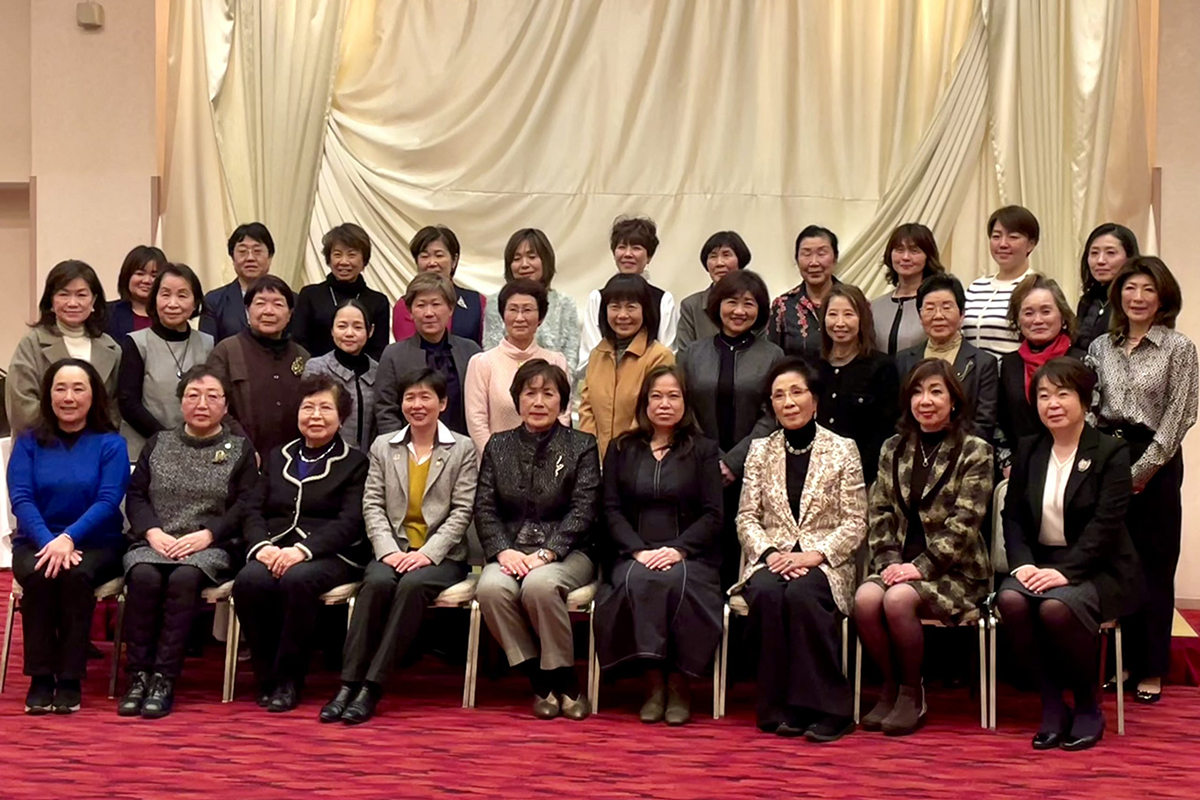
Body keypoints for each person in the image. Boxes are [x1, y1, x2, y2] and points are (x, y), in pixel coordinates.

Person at [320, 369, 478, 725]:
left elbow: (462, 511)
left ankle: (371, 687)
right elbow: (372, 504)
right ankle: (347, 684)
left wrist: (427, 554)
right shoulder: (383, 446)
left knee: (412, 586)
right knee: (375, 582)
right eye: (410, 397)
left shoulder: (462, 448)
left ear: (443, 403)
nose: (417, 405)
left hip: (441, 556)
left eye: (426, 397)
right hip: (392, 548)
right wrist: (388, 550)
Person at [997, 358, 1139, 751]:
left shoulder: (1111, 451)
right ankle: (1051, 703)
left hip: (1098, 567)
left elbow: (1106, 525)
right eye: (1044, 395)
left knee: (1056, 608)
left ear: (1084, 400)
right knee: (1010, 600)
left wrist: (1069, 571)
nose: (1053, 404)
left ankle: (1088, 704)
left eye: (1063, 394)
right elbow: (1013, 516)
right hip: (1040, 562)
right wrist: (1022, 564)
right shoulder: (1029, 449)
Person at [854, 359, 993, 736]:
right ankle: (890, 685)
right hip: (898, 562)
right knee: (865, 600)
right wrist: (888, 561)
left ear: (954, 400)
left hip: (955, 570)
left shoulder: (975, 450)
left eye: (935, 392)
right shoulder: (893, 448)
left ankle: (912, 692)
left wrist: (921, 567)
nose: (925, 401)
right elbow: (879, 510)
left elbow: (967, 521)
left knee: (897, 600)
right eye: (917, 392)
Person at [733, 358, 866, 742]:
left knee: (804, 594)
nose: (788, 402)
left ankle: (830, 710)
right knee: (767, 592)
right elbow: (746, 517)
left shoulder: (842, 449)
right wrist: (771, 554)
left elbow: (855, 521)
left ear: (815, 400)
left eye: (797, 392)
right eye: (779, 395)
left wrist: (815, 555)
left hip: (825, 562)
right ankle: (779, 706)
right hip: (773, 559)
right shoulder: (760, 451)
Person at [1087, 256, 1198, 704]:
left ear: (1163, 296)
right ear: (1119, 295)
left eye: (1148, 289)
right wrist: (1098, 463)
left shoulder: (1179, 348)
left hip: (1157, 460)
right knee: (1118, 563)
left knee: (1154, 563)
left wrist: (1141, 472)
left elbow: (1179, 416)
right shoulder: (1101, 346)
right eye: (1130, 288)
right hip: (1108, 455)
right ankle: (1124, 662)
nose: (1138, 297)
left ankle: (1151, 667)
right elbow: (1091, 406)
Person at [118, 366, 258, 718]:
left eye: (212, 396)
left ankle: (164, 678)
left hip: (211, 545)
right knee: (143, 576)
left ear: (226, 406)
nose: (202, 404)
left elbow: (246, 504)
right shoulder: (158, 443)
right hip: (156, 540)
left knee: (184, 577)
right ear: (181, 402)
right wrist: (152, 532)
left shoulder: (239, 449)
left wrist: (209, 534)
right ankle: (137, 676)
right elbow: (136, 495)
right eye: (193, 395)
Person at [233, 374, 370, 712]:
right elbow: (253, 509)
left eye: (325, 408)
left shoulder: (355, 462)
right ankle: (266, 676)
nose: (315, 416)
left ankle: (289, 679)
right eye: (308, 407)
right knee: (249, 580)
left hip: (330, 553)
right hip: (275, 547)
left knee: (298, 580)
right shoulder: (277, 456)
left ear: (341, 417)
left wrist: (302, 551)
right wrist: (262, 546)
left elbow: (350, 522)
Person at [595, 366, 723, 725]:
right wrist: (638, 550)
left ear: (686, 402)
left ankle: (679, 685)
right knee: (638, 580)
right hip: (633, 552)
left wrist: (679, 549)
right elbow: (610, 509)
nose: (664, 404)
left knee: (676, 582)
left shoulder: (703, 450)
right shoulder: (622, 448)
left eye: (673, 396)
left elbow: (713, 514)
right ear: (645, 403)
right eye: (657, 396)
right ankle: (652, 684)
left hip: (690, 554)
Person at [474, 360, 600, 720]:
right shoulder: (498, 445)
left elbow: (584, 509)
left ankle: (567, 680)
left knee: (540, 586)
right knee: (490, 589)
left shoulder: (581, 445)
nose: (539, 402)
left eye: (548, 393)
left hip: (569, 551)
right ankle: (540, 679)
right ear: (517, 399)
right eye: (530, 393)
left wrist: (548, 552)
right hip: (511, 550)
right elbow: (484, 507)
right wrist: (503, 550)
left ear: (562, 401)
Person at [7, 359, 129, 715]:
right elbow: (22, 499)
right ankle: (41, 677)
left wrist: (69, 538)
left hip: (96, 541)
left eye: (78, 389)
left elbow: (108, 500)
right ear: (48, 395)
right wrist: (51, 540)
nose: (69, 397)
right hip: (36, 540)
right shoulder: (28, 442)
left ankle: (71, 678)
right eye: (60, 389)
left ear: (94, 396)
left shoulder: (111, 444)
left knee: (75, 575)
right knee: (40, 573)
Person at [679, 269, 784, 587]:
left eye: (749, 303)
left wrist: (733, 462)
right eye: (732, 302)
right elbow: (683, 408)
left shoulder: (772, 355)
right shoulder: (692, 354)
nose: (739, 311)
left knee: (742, 554)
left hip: (753, 472)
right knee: (699, 555)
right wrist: (711, 458)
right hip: (697, 468)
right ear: (717, 304)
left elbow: (772, 414)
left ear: (760, 310)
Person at [7, 260, 122, 435]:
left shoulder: (112, 349)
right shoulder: (32, 344)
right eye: (64, 294)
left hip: (97, 443)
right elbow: (21, 406)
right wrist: (69, 428)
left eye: (81, 295)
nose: (72, 303)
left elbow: (116, 408)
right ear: (51, 301)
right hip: (43, 442)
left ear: (94, 301)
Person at [117, 263, 214, 459]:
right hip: (145, 449)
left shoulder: (207, 343)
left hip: (197, 448)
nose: (172, 304)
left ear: (195, 303)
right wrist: (169, 440)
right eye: (165, 294)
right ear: (154, 299)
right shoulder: (137, 343)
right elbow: (129, 405)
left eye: (182, 295)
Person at [207, 275, 310, 456]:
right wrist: (243, 448)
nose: (268, 311)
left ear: (289, 314)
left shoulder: (302, 356)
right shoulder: (226, 351)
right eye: (260, 303)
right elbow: (214, 405)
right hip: (238, 456)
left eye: (278, 304)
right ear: (247, 311)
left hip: (293, 458)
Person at [467, 279, 571, 453]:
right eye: (513, 310)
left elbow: (563, 416)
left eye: (528, 310)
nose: (520, 318)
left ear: (541, 317)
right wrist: (499, 460)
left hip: (548, 460)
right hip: (496, 462)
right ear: (503, 315)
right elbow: (477, 422)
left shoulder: (556, 361)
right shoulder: (482, 363)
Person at [580, 274, 675, 458]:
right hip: (597, 460)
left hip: (642, 458)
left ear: (645, 310)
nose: (622, 315)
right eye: (615, 307)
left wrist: (621, 455)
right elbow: (587, 408)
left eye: (631, 307)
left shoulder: (660, 356)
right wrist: (589, 455)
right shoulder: (597, 354)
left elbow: (652, 412)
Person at [996, 275, 1086, 471]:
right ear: (1017, 319)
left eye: (1046, 311)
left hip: (1076, 466)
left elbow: (1094, 416)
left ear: (1062, 316)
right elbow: (998, 421)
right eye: (1028, 313)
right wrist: (1007, 463)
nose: (1037, 320)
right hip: (1020, 468)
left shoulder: (1083, 361)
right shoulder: (1007, 365)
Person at [375, 272, 480, 436]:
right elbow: (385, 409)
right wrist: (398, 445)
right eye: (421, 305)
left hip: (464, 445)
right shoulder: (393, 355)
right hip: (408, 445)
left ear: (450, 309)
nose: (429, 313)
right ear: (410, 312)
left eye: (436, 304)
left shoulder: (470, 351)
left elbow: (481, 407)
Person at [896, 274, 999, 442]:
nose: (938, 316)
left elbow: (984, 423)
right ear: (920, 316)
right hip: (914, 449)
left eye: (946, 307)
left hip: (966, 452)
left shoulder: (983, 363)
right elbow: (899, 416)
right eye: (929, 308)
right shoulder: (903, 360)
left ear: (962, 314)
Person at [818, 284, 900, 485]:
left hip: (863, 478)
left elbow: (886, 431)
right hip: (816, 475)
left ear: (862, 318)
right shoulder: (812, 366)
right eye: (833, 314)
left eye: (848, 314)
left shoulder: (882, 367)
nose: (840, 323)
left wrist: (855, 474)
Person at [579, 216, 678, 372]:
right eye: (622, 247)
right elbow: (590, 355)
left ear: (649, 256)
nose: (627, 254)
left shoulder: (663, 300)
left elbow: (668, 354)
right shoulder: (597, 298)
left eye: (636, 248)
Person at [482, 229, 581, 374]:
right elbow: (491, 351)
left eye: (532, 257)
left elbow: (570, 359)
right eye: (517, 259)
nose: (524, 264)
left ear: (546, 260)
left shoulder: (565, 304)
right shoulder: (494, 303)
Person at [292, 223, 390, 360]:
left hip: (363, 373)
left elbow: (378, 352)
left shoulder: (378, 301)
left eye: (352, 255)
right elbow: (299, 344)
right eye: (337, 254)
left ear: (364, 260)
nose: (344, 262)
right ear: (329, 259)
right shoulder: (310, 295)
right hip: (315, 371)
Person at [302, 299, 379, 450]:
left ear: (370, 331)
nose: (349, 333)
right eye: (342, 326)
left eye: (357, 327)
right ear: (332, 330)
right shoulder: (317, 367)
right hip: (326, 455)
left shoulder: (379, 370)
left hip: (370, 458)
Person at [964, 206, 1039, 357]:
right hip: (971, 371)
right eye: (996, 236)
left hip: (1014, 371)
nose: (1003, 244)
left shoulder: (1037, 287)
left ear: (1031, 244)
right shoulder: (976, 287)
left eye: (1013, 237)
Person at [392, 225, 485, 346]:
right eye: (425, 256)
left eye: (439, 255)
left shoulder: (477, 301)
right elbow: (405, 349)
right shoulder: (405, 305)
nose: (432, 262)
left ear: (454, 260)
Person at [768, 225, 844, 359]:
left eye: (821, 254)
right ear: (797, 259)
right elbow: (772, 357)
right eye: (806, 254)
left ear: (835, 258)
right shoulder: (782, 306)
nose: (814, 262)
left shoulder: (854, 302)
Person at [870, 224, 945, 356]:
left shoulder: (937, 306)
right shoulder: (875, 307)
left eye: (914, 251)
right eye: (899, 250)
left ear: (928, 256)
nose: (905, 257)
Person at [676, 231, 751, 350]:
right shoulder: (691, 306)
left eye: (726, 255)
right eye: (713, 256)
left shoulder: (754, 304)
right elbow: (684, 353)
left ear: (740, 259)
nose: (719, 263)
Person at [201, 222, 275, 343]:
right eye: (242, 251)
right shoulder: (214, 301)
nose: (250, 258)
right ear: (232, 258)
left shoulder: (290, 300)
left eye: (257, 251)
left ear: (270, 257)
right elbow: (208, 348)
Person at [1075, 223, 1139, 352]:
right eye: (1094, 253)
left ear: (1129, 257)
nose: (1100, 261)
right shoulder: (1088, 300)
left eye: (1110, 253)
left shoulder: (1136, 301)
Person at [106, 245, 168, 340]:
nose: (147, 280)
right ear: (127, 276)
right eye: (140, 274)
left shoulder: (169, 314)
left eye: (154, 275)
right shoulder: (107, 313)